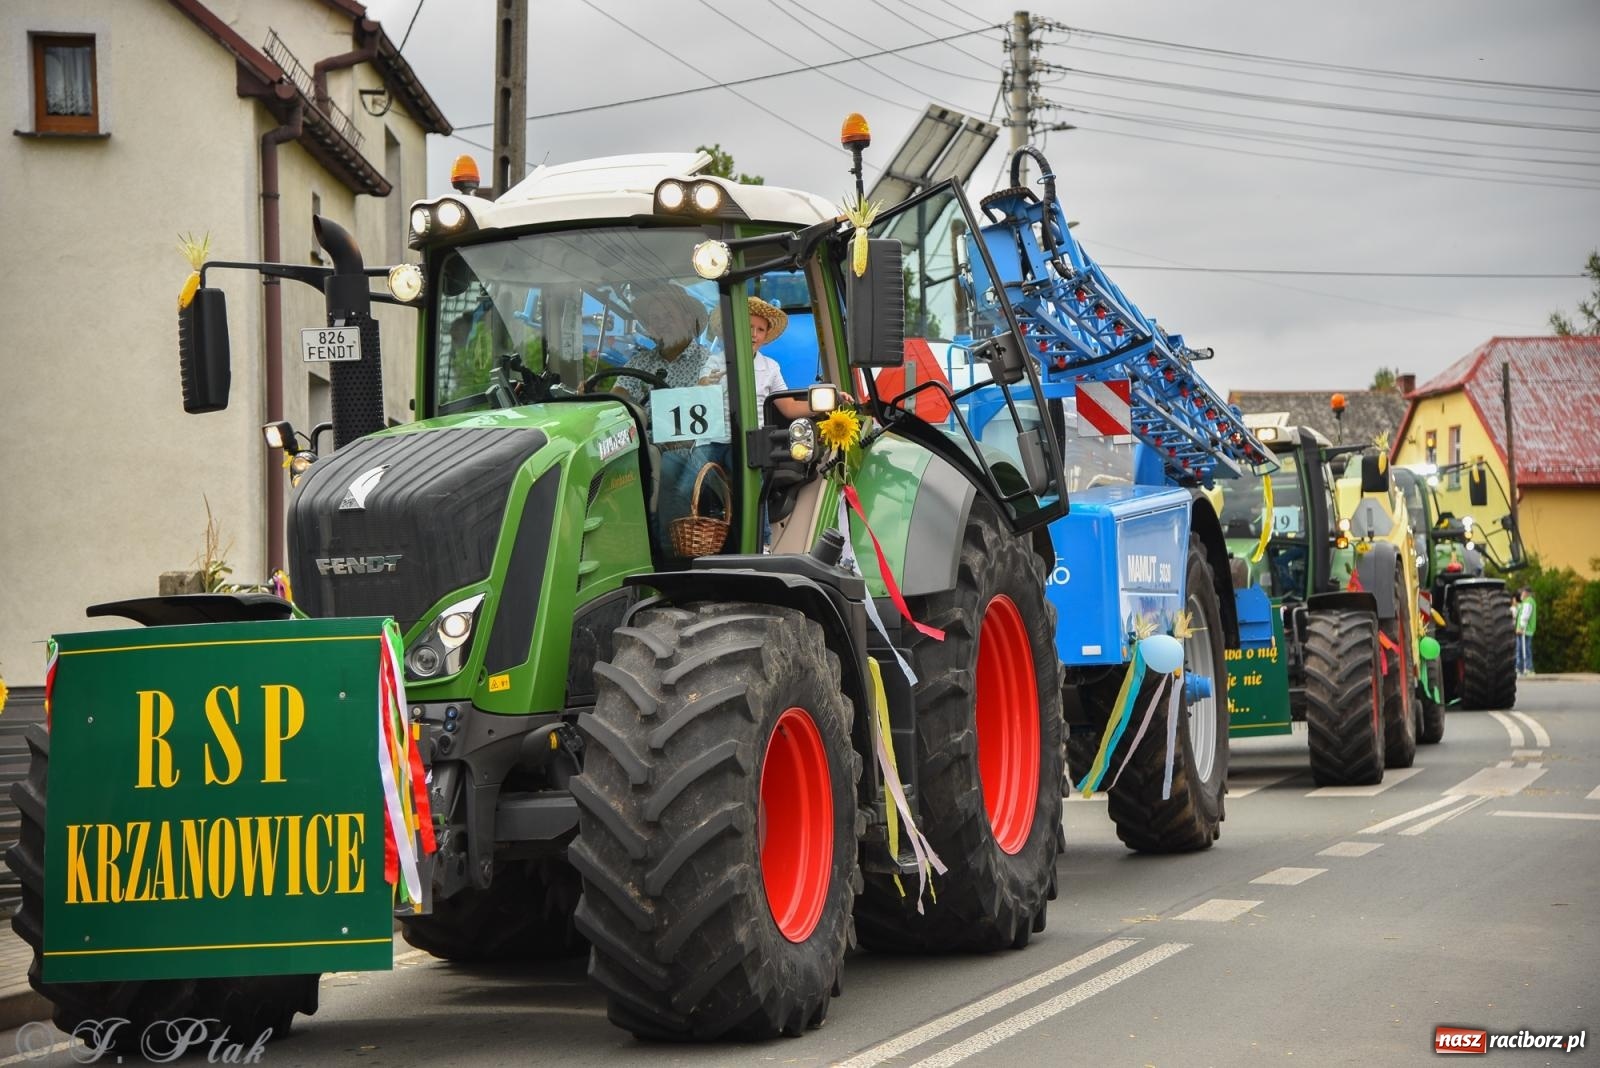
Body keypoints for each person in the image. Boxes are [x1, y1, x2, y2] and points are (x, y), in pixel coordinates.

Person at [1514, 586, 1537, 675]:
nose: (1521, 595)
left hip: (1525, 631)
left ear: (1526, 593)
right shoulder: (1527, 602)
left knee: (1523, 650)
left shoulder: (1528, 602)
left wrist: (1521, 627)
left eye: (1522, 593)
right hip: (1526, 630)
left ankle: (1527, 669)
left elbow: (1525, 616)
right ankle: (1522, 668)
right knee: (1523, 650)